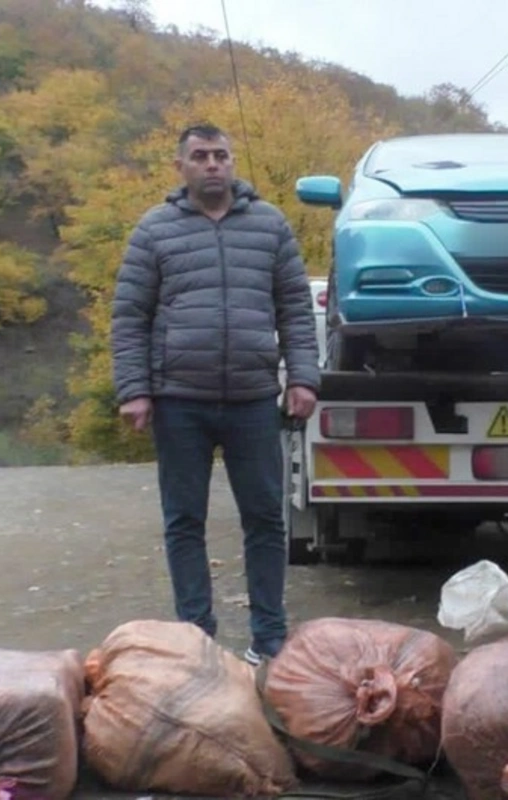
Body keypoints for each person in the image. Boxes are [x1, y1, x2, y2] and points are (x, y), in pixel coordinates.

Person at [110, 123, 321, 666]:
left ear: (232, 163)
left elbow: (295, 308)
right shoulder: (154, 231)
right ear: (180, 165)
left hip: (253, 399)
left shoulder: (270, 226)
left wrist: (302, 377)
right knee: (185, 521)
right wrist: (134, 390)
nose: (212, 164)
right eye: (200, 156)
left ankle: (269, 640)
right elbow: (130, 316)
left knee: (266, 520)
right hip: (179, 400)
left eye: (220, 155)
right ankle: (195, 640)